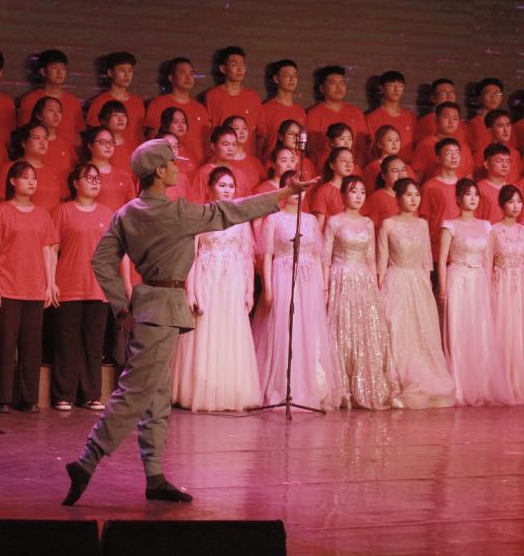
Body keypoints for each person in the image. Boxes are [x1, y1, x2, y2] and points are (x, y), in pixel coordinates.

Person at [62, 139, 315, 506]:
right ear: (159, 171)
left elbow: (102, 261)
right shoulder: (176, 213)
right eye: (171, 163)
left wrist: (121, 305)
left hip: (147, 306)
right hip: (163, 308)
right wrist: (285, 193)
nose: (176, 168)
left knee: (156, 395)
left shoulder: (126, 213)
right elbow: (231, 211)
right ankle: (86, 462)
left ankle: (154, 476)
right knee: (136, 392)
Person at [170, 168, 261, 411]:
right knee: (206, 331)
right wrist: (190, 290)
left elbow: (246, 256)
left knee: (230, 332)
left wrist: (249, 291)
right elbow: (191, 255)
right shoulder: (200, 216)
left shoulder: (241, 219)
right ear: (210, 188)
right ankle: (202, 389)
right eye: (222, 185)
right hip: (207, 278)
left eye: (231, 186)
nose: (227, 190)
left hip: (233, 281)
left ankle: (229, 390)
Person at [254, 171, 339, 410]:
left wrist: (322, 288)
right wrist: (268, 288)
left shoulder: (310, 221)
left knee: (307, 329)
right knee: (283, 328)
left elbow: (317, 255)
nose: (297, 194)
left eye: (301, 189)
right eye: (293, 188)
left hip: (308, 279)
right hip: (282, 275)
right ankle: (281, 387)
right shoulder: (274, 219)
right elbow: (267, 255)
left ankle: (309, 386)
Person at [378, 178, 456, 409]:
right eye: (408, 195)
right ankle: (396, 380)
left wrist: (427, 288)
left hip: (419, 283)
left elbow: (426, 260)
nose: (413, 199)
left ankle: (425, 377)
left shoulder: (422, 224)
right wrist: (379, 288)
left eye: (417, 195)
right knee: (397, 329)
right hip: (395, 280)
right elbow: (382, 260)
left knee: (422, 332)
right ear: (398, 197)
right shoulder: (388, 224)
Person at [324, 175, 398, 409]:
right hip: (341, 277)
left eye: (362, 192)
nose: (358, 196)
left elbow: (371, 258)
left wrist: (376, 286)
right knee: (342, 330)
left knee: (365, 331)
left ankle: (364, 386)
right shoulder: (334, 221)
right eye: (354, 191)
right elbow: (325, 258)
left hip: (364, 280)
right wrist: (325, 287)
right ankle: (342, 388)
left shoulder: (367, 223)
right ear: (343, 195)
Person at [0, 162, 57, 413]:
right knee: (6, 344)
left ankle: (29, 398)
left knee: (31, 345)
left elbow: (47, 251)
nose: (31, 182)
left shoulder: (42, 215)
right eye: (25, 177)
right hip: (8, 285)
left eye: (34, 178)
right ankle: (3, 397)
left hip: (35, 287)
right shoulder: (2, 212)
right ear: (12, 181)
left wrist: (50, 284)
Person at [50, 164, 116, 412]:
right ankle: (63, 394)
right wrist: (51, 282)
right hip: (68, 284)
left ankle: (91, 395)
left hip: (97, 286)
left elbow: (113, 252)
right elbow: (52, 250)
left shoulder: (107, 213)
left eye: (97, 178)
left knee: (94, 344)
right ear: (75, 183)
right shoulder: (62, 211)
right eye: (89, 178)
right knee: (66, 343)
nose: (94, 182)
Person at [438, 178, 508, 406]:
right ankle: (459, 386)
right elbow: (442, 260)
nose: (473, 198)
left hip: (478, 280)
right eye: (468, 194)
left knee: (480, 332)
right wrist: (442, 289)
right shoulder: (449, 225)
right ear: (458, 198)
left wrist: (489, 287)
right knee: (458, 331)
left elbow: (487, 260)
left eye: (476, 194)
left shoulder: (486, 226)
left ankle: (481, 385)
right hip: (457, 279)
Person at [490, 185, 524, 404]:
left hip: (520, 289)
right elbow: (488, 264)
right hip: (500, 287)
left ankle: (520, 383)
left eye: (519, 201)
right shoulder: (494, 230)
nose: (515, 206)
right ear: (502, 204)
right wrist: (488, 294)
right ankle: (501, 384)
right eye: (511, 201)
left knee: (520, 336)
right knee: (502, 333)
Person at [144, 57, 211, 162]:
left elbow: (206, 141)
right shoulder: (159, 103)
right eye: (183, 73)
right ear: (171, 78)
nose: (188, 77)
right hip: (169, 165)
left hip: (196, 166)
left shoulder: (200, 109)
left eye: (191, 73)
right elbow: (152, 138)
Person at [18, 49, 85, 146]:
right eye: (54, 67)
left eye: (63, 68)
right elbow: (23, 134)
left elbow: (77, 135)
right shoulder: (29, 100)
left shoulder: (73, 101)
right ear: (43, 71)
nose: (59, 72)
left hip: (66, 153)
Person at [203, 46, 263, 155]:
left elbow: (259, 133)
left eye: (242, 65)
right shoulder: (212, 95)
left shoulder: (253, 97)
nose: (239, 69)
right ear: (223, 69)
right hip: (220, 157)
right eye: (234, 65)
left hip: (245, 158)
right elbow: (207, 131)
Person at [306, 66, 368, 164]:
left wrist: (356, 167)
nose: (339, 87)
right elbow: (312, 149)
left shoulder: (356, 113)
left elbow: (362, 147)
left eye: (342, 83)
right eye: (333, 83)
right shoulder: (314, 114)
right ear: (322, 88)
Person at [419, 138, 466, 259]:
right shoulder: (429, 187)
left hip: (462, 248)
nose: (454, 157)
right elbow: (424, 220)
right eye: (449, 153)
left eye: (457, 153)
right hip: (437, 249)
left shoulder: (466, 186)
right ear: (439, 158)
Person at [86, 52, 145, 147]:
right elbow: (93, 135)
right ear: (110, 73)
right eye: (122, 70)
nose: (127, 75)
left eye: (130, 71)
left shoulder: (137, 102)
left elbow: (140, 133)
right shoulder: (100, 102)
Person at [10, 122, 66, 211]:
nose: (42, 142)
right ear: (24, 143)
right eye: (37, 138)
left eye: (45, 138)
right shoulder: (11, 169)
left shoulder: (54, 172)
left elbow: (62, 203)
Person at [412, 102, 475, 180]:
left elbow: (469, 178)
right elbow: (417, 178)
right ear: (436, 120)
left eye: (455, 118)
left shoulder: (464, 147)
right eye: (446, 117)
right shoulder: (424, 145)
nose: (451, 122)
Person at [365, 70, 414, 162]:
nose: (396, 89)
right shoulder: (372, 118)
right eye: (392, 85)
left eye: (400, 86)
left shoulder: (410, 118)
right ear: (381, 88)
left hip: (406, 167)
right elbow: (369, 149)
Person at [261, 59, 306, 157]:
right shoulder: (266, 108)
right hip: (272, 162)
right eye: (287, 75)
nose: (292, 79)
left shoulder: (300, 112)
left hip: (295, 163)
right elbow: (259, 142)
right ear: (276, 79)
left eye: (294, 76)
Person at [85, 127, 136, 211]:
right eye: (103, 142)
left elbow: (131, 205)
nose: (108, 146)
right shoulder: (82, 173)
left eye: (111, 142)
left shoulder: (122, 174)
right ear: (90, 146)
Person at [414, 78, 471, 149]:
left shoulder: (463, 125)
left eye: (452, 93)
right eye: (443, 93)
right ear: (433, 98)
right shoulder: (424, 122)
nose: (449, 97)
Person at [311, 147, 355, 225]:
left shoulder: (356, 188)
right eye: (344, 160)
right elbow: (319, 226)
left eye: (351, 161)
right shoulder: (323, 191)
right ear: (332, 165)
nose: (349, 164)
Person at [474, 109, 521, 182]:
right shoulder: (480, 154)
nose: (506, 130)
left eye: (508, 125)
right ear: (490, 130)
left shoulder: (515, 153)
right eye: (501, 126)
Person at [469, 77, 513, 152]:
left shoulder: (507, 124)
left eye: (497, 93)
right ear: (479, 98)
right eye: (488, 93)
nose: (493, 97)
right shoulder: (473, 124)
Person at [362, 155, 406, 229]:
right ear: (384, 176)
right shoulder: (376, 198)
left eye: (403, 170)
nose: (401, 175)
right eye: (395, 171)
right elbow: (369, 228)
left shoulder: (410, 195)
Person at [477, 144, 513, 223]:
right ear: (487, 164)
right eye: (499, 161)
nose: (505, 165)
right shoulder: (479, 189)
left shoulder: (514, 189)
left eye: (507, 161)